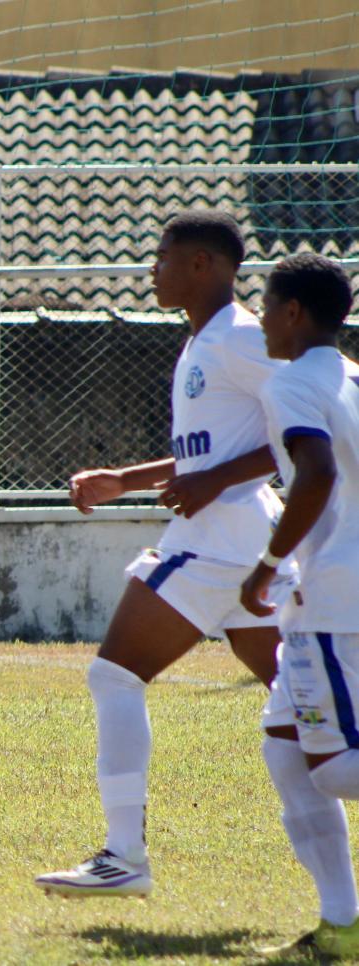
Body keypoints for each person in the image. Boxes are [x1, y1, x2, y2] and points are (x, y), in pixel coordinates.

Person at [36, 210, 297, 897]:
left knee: (115, 676)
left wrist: (217, 481)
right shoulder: (206, 341)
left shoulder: (240, 337)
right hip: (244, 539)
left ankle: (124, 856)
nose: (152, 268)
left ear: (203, 265)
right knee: (301, 701)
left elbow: (310, 422)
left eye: (163, 256)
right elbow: (204, 455)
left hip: (219, 536)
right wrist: (126, 480)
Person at [241, 253, 359, 958]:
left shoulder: (290, 382)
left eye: (265, 302)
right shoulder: (352, 378)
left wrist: (266, 564)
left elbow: (312, 474)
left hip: (332, 598)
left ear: (292, 313)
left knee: (334, 767)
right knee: (285, 752)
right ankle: (342, 926)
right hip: (326, 596)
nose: (258, 317)